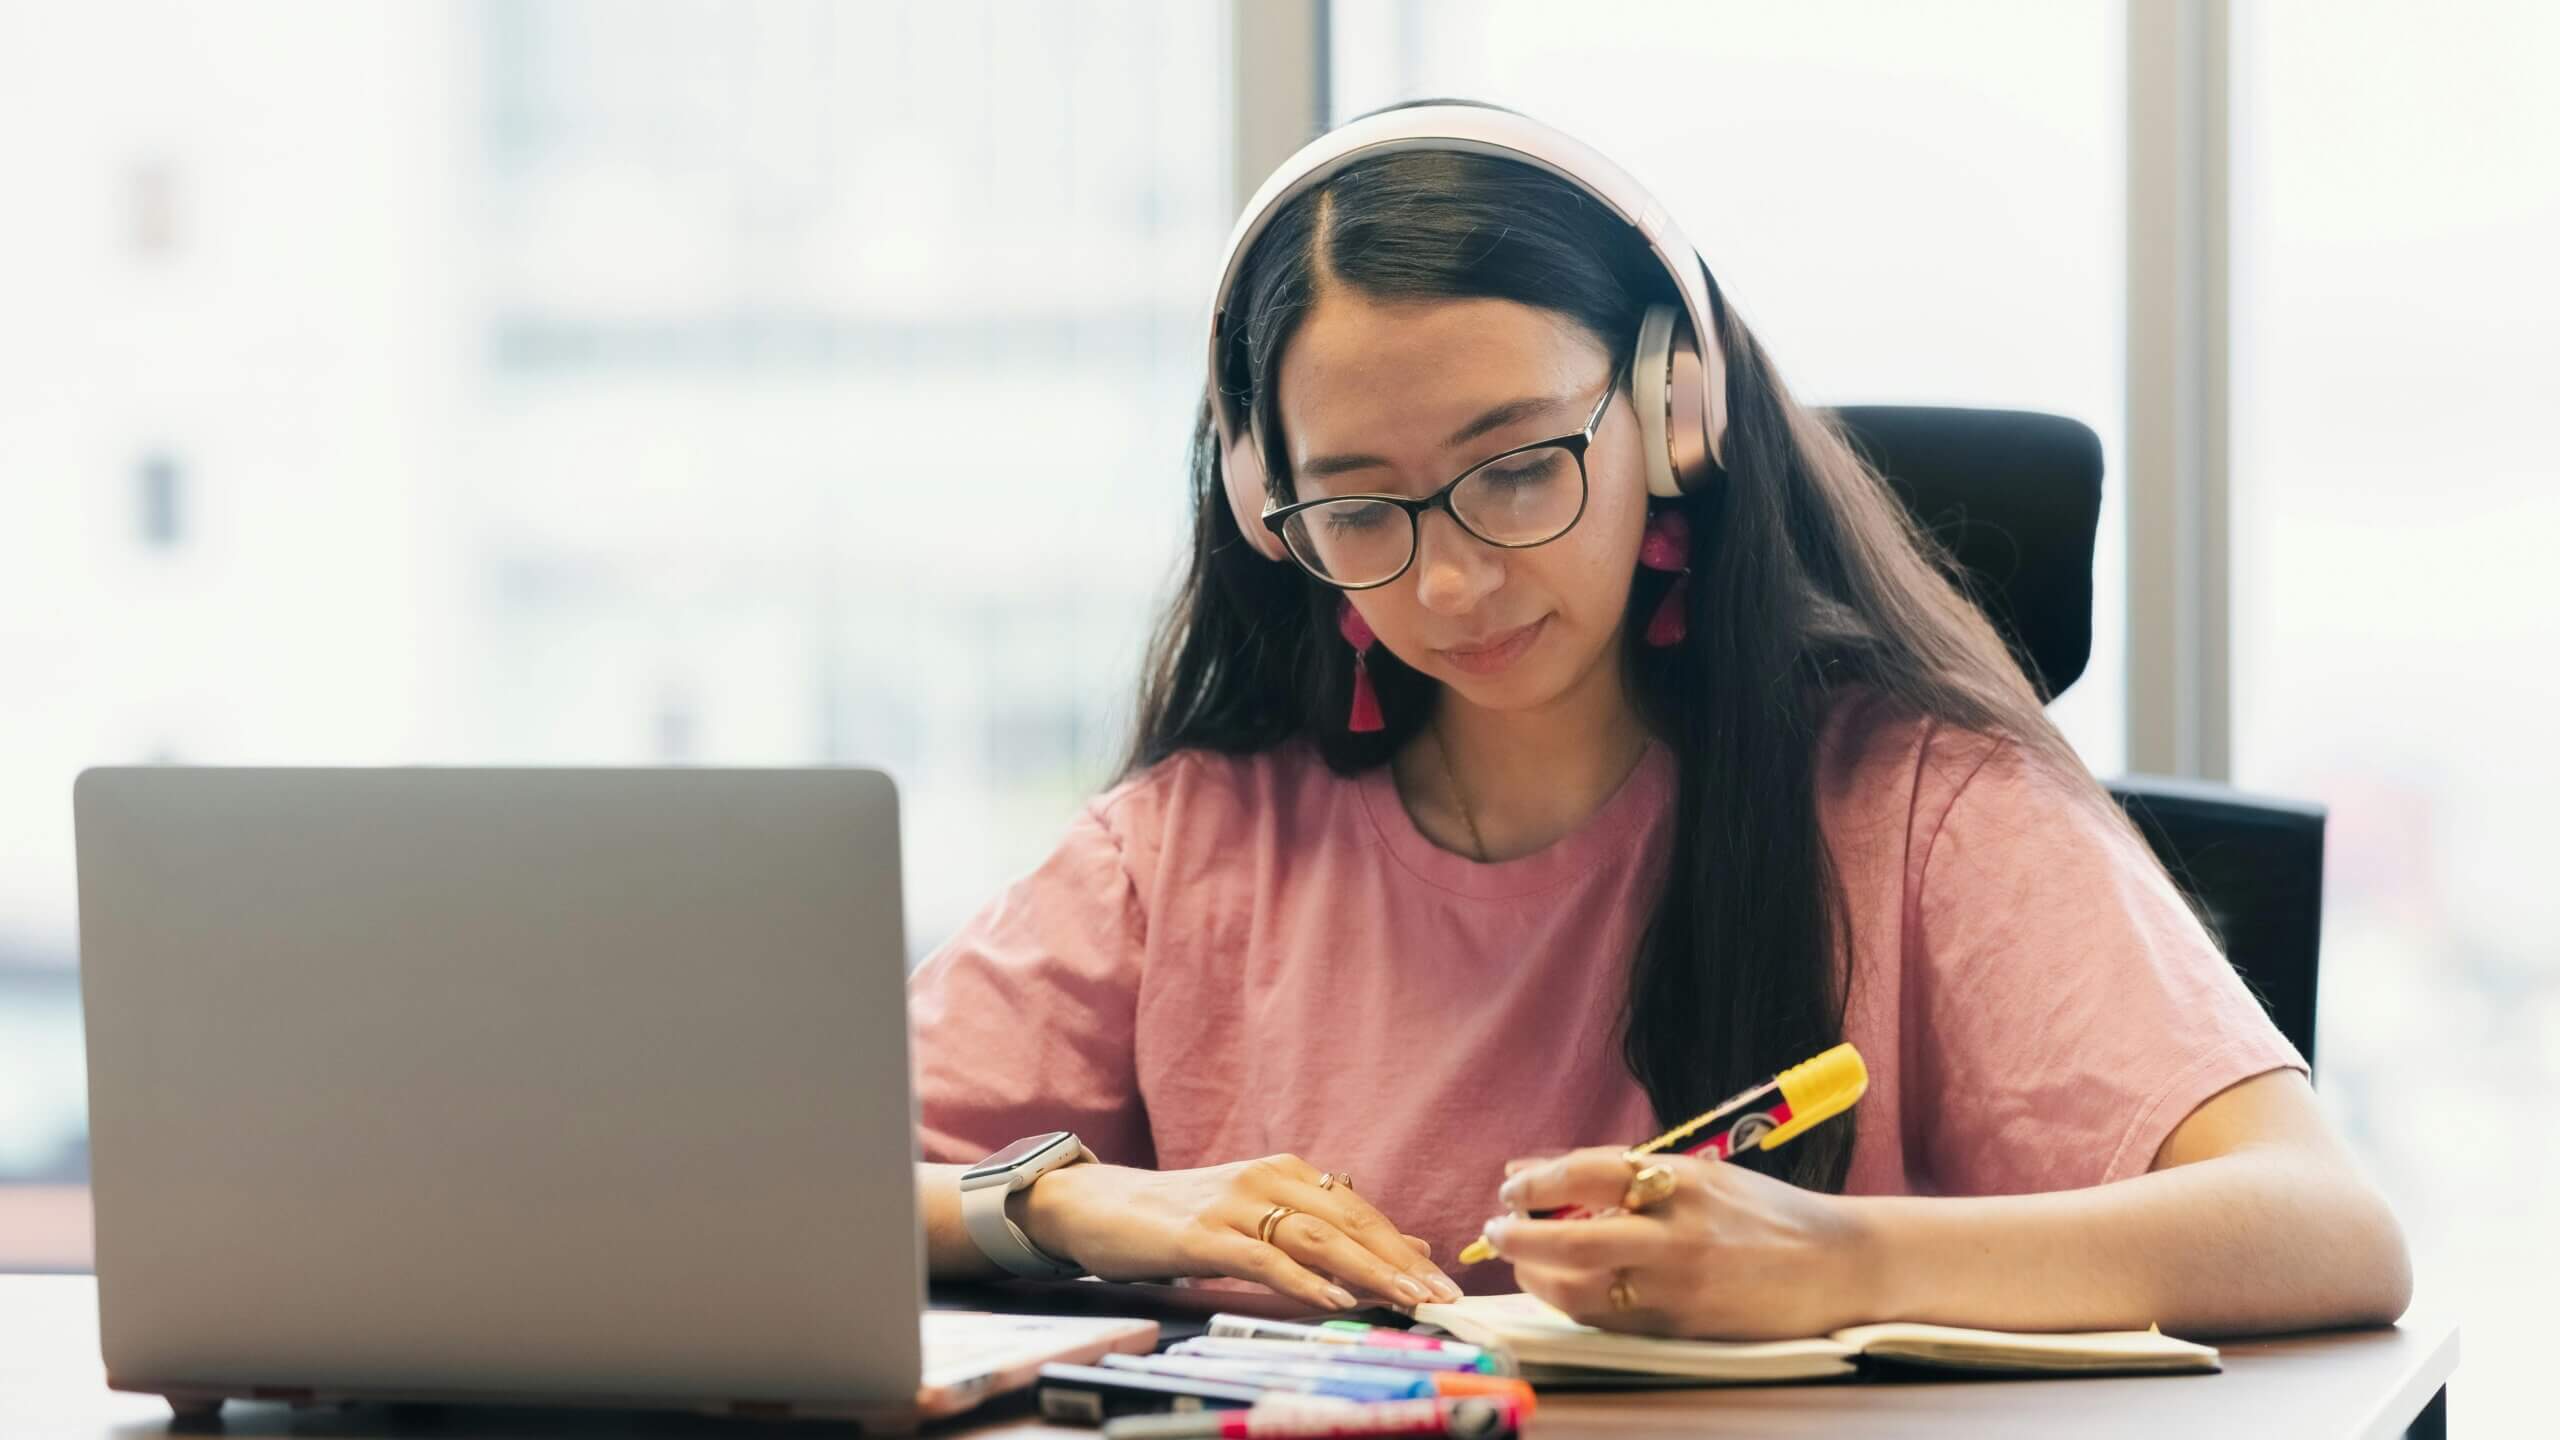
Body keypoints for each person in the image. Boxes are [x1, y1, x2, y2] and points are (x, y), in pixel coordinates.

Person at [906, 102, 2412, 1340]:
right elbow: (737, 1188)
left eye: (1514, 468)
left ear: (1671, 413)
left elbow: (2322, 1228)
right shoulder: (1190, 850)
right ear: (1265, 508)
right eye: (1361, 508)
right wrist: (1061, 1203)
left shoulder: (1909, 803)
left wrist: (1844, 1259)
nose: (1450, 577)